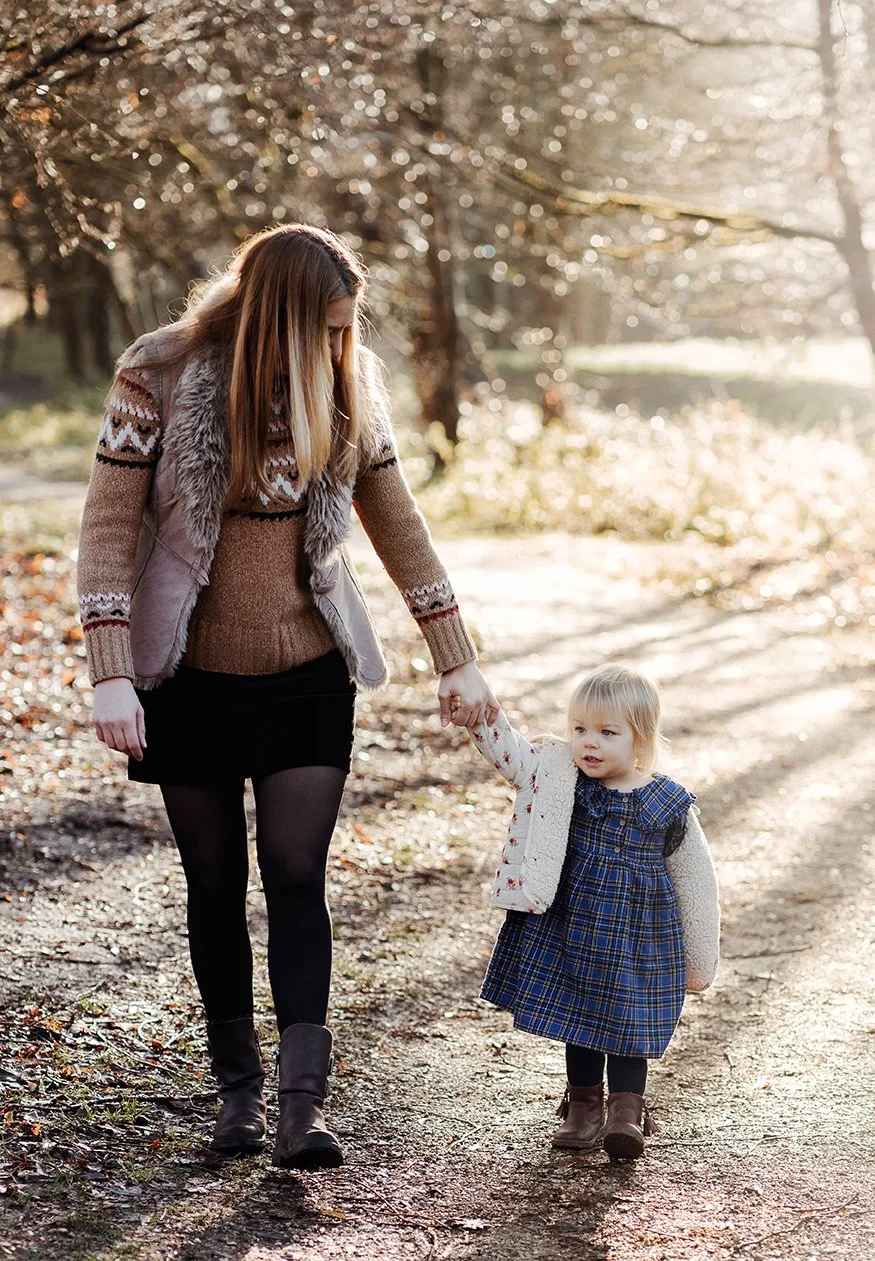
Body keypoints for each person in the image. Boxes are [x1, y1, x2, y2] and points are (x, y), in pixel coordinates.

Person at [76, 223, 498, 1171]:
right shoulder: (159, 372)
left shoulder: (351, 380)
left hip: (306, 669)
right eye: (331, 328)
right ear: (279, 317)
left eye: (351, 330)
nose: (345, 346)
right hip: (183, 672)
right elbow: (106, 525)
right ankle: (238, 1095)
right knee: (215, 883)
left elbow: (397, 519)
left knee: (297, 874)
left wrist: (454, 654)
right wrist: (110, 671)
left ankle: (303, 1110)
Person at [451, 663, 719, 1159]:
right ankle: (583, 1107)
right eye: (580, 729)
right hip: (573, 927)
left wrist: (700, 958)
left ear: (641, 739)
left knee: (629, 1019)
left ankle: (626, 1112)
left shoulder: (667, 803)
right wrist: (480, 718)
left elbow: (697, 883)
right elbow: (509, 755)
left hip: (640, 938)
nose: (588, 743)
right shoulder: (560, 779)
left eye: (607, 732)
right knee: (579, 1013)